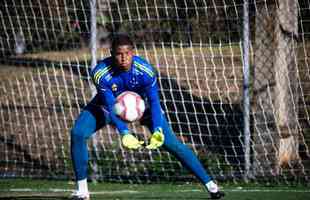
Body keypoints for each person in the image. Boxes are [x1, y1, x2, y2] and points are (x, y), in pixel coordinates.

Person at [70, 34, 225, 200]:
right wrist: (124, 132)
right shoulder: (100, 73)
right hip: (107, 108)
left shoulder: (146, 71)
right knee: (78, 133)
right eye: (119, 54)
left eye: (127, 53)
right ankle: (82, 191)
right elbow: (110, 103)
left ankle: (211, 186)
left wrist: (157, 130)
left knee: (172, 144)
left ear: (133, 53)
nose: (123, 58)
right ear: (111, 53)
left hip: (143, 108)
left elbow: (154, 101)